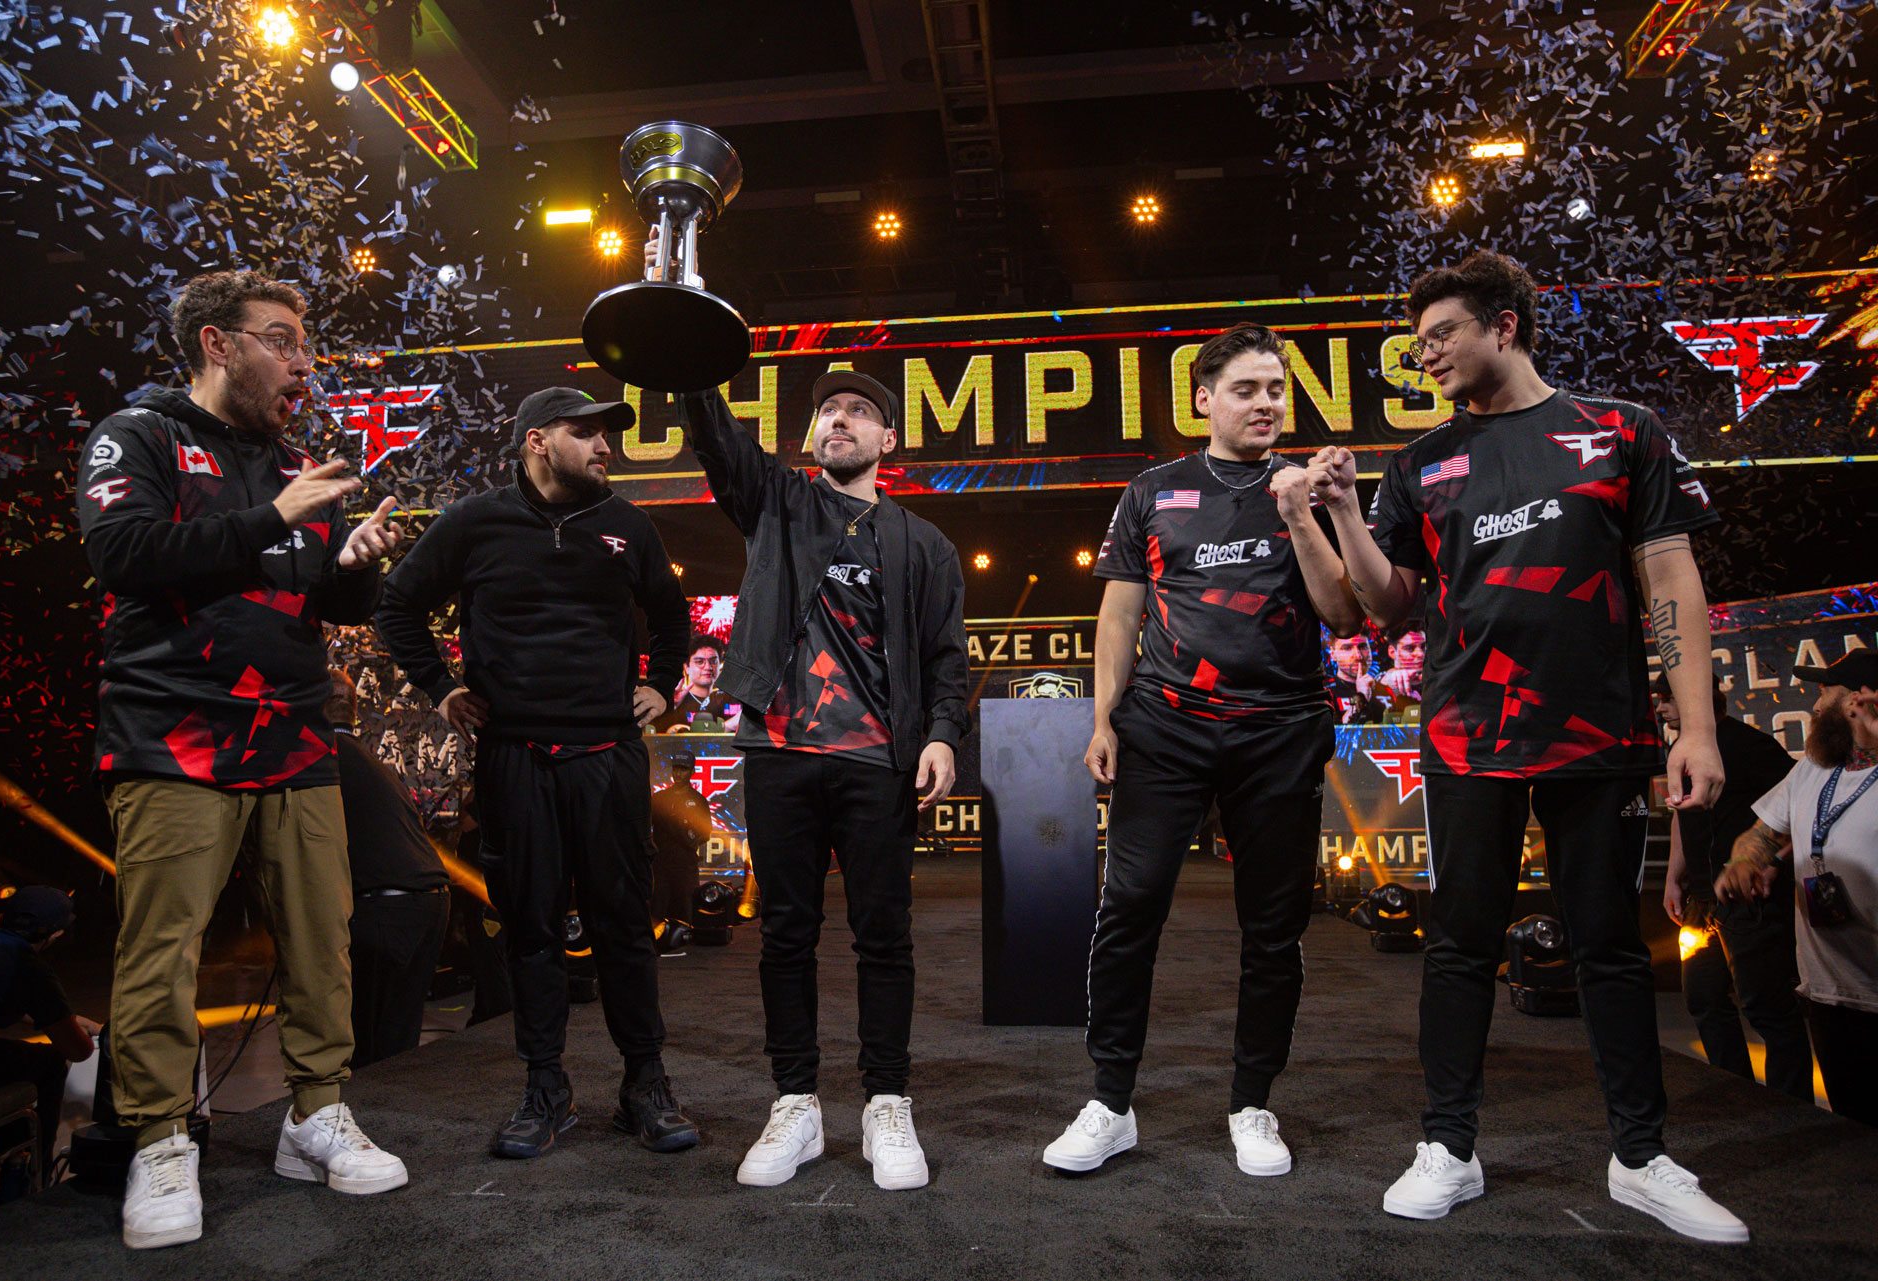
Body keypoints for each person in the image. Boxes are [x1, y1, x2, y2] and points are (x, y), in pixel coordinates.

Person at [1307, 249, 1749, 1242]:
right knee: (1458, 948)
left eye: (1442, 335)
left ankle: (1641, 1159)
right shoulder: (1419, 465)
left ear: (1504, 327)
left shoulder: (1619, 432)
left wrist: (1697, 729)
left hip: (1599, 731)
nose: (1425, 356)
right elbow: (1387, 608)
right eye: (1416, 343)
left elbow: (1670, 581)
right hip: (1468, 737)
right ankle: (1447, 1147)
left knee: (1608, 946)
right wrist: (1340, 511)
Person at [75, 270, 407, 1250]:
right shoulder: (137, 435)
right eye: (280, 339)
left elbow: (328, 604)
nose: (301, 361)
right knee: (162, 948)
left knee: (321, 934)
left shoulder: (289, 463)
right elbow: (123, 553)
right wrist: (278, 518)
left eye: (304, 343)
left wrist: (358, 563)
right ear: (218, 345)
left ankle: (314, 1114)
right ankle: (162, 1139)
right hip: (172, 732)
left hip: (295, 736)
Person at [1041, 322, 1363, 1177]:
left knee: (1274, 926)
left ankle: (1253, 1103)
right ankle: (1110, 1100)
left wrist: (1304, 511)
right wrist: (1104, 718)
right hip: (1166, 727)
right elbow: (1118, 614)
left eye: (1276, 390)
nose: (1265, 404)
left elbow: (1344, 612)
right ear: (1203, 399)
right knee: (1130, 907)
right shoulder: (1153, 490)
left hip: (1281, 729)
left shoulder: (1305, 489)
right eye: (1248, 389)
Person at [671, 319, 969, 1191]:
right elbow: (717, 437)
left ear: (887, 438)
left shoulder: (925, 545)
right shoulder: (778, 502)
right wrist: (687, 341)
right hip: (779, 751)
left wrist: (945, 732)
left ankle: (887, 1101)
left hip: (878, 762)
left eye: (855, 411)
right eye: (826, 412)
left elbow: (948, 657)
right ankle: (795, 1102)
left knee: (885, 936)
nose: (837, 420)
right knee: (787, 934)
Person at [373, 386, 698, 1162]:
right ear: (536, 441)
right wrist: (441, 684)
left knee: (624, 926)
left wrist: (665, 679)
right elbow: (397, 605)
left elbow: (674, 614)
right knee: (532, 931)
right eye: (585, 433)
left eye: (605, 435)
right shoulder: (474, 521)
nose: (603, 446)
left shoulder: (628, 525)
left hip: (606, 756)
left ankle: (644, 1085)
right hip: (515, 757)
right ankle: (545, 1087)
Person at [1718, 648, 1878, 1125]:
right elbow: (1765, 832)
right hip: (1830, 993)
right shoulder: (1812, 767)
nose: (1813, 707)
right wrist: (1746, 862)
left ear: (1858, 700)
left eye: (1824, 693)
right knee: (1853, 1130)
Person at [1656, 671, 1809, 1099]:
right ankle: (1736, 1093)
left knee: (1767, 1005)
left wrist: (1772, 862)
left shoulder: (1748, 744)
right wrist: (1673, 877)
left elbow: (1798, 805)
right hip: (1701, 902)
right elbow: (1680, 815)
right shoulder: (1679, 751)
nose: (1661, 707)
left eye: (1667, 697)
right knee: (1704, 998)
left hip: (1748, 899)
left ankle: (1789, 1105)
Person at [325, 670, 451, 1069]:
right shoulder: (369, 760)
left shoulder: (323, 759)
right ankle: (395, 1122)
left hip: (386, 908)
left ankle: (367, 1121)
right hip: (427, 901)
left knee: (367, 1043)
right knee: (397, 1043)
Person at [0, 886, 97, 1201]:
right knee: (47, 1063)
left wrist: (62, 1018)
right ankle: (27, 1174)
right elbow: (78, 1050)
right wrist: (67, 1025)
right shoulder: (30, 967)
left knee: (5, 1058)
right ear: (55, 935)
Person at [649, 749, 710, 955]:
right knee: (659, 902)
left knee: (685, 901)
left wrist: (691, 836)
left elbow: (706, 832)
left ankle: (682, 941)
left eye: (683, 769)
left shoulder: (699, 800)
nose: (678, 773)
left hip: (685, 862)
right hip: (661, 862)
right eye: (676, 768)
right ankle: (657, 940)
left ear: (692, 771)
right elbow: (646, 827)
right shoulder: (658, 799)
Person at [655, 635, 743, 733]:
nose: (708, 667)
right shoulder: (677, 701)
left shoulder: (732, 700)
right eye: (700, 662)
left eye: (713, 661)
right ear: (687, 667)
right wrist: (671, 705)